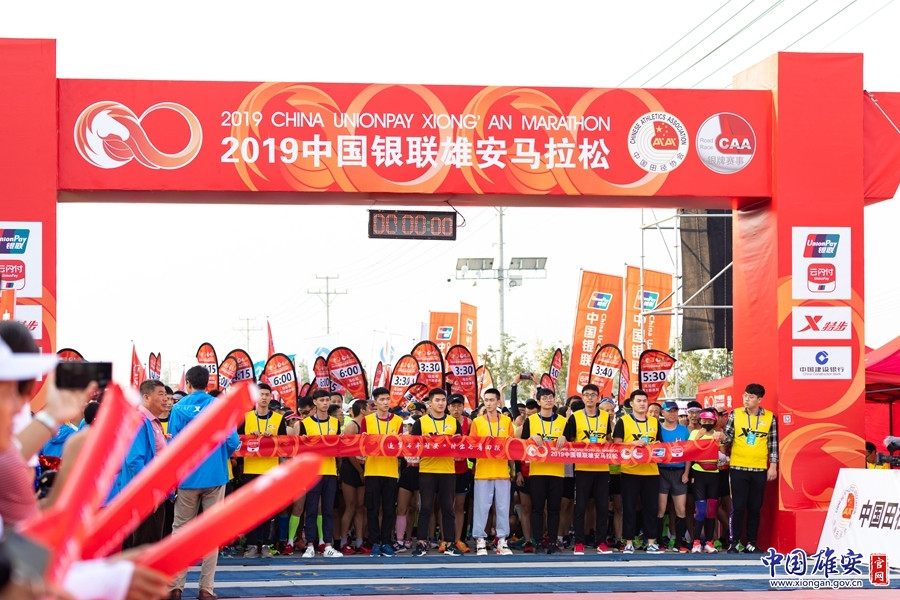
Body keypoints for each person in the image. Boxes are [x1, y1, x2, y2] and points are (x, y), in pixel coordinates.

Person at [0, 322, 169, 600]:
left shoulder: (9, 462)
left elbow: (20, 554)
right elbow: (18, 585)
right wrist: (104, 580)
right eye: (9, 392)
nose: (20, 407)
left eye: (22, 390)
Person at [167, 365, 241, 600]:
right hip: (215, 474)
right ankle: (206, 589)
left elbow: (172, 445)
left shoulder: (178, 408)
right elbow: (232, 441)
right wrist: (219, 456)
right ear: (208, 383)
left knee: (180, 531)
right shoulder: (220, 407)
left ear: (187, 384)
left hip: (187, 477)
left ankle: (175, 587)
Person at [718, 383, 778, 554]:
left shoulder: (770, 417)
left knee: (755, 507)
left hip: (759, 469)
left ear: (759, 399)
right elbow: (728, 438)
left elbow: (773, 444)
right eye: (745, 395)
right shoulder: (735, 414)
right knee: (738, 507)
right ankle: (734, 542)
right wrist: (721, 436)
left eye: (751, 397)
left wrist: (773, 466)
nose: (746, 399)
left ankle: (752, 542)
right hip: (738, 468)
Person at [111, 379, 169, 549]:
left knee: (150, 544)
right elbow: (134, 460)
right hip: (145, 494)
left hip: (155, 491)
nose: (166, 399)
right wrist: (150, 491)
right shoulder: (139, 421)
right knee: (143, 547)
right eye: (161, 394)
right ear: (146, 397)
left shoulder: (153, 422)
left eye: (166, 394)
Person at [558, 384, 613, 555]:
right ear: (582, 397)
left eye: (593, 395)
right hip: (582, 467)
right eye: (587, 395)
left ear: (598, 398)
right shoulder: (575, 417)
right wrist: (563, 438)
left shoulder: (605, 416)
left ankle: (601, 542)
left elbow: (609, 439)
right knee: (580, 506)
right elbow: (568, 440)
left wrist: (607, 443)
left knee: (602, 507)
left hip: (602, 467)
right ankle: (579, 542)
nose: (590, 398)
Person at [237, 382, 287, 558]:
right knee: (250, 508)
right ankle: (251, 544)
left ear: (270, 397)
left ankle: (266, 544)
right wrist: (249, 437)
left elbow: (285, 445)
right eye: (261, 395)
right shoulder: (246, 417)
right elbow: (237, 442)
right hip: (250, 469)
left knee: (269, 509)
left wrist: (273, 439)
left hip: (271, 470)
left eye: (267, 395)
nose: (264, 398)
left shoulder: (279, 419)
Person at [410, 388, 461, 556]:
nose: (440, 403)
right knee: (425, 507)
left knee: (448, 508)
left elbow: (461, 448)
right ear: (430, 403)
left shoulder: (454, 422)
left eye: (443, 400)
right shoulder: (421, 422)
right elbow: (412, 447)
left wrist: (457, 445)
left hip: (448, 470)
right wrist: (423, 443)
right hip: (427, 470)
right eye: (437, 400)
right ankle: (421, 543)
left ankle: (449, 543)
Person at [613, 389, 664, 554]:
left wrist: (657, 445)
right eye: (639, 401)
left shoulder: (655, 422)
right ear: (632, 403)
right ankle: (628, 542)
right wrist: (632, 444)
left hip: (651, 471)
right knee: (629, 507)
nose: (642, 404)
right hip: (630, 471)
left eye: (644, 401)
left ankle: (651, 542)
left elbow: (660, 444)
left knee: (651, 508)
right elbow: (616, 445)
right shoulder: (623, 421)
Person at [520, 386, 566, 554]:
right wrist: (531, 438)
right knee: (537, 508)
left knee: (554, 509)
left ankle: (553, 542)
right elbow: (522, 445)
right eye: (544, 398)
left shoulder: (563, 421)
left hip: (557, 471)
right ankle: (538, 542)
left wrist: (565, 437)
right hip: (537, 471)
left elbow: (572, 443)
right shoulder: (531, 420)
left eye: (550, 397)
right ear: (538, 402)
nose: (548, 400)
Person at [359, 387, 403, 556]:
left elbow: (401, 446)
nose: (385, 402)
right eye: (382, 399)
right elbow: (361, 445)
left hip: (391, 471)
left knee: (389, 509)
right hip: (372, 470)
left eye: (387, 399)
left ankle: (386, 541)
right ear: (375, 402)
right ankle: (374, 542)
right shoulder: (367, 420)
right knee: (372, 508)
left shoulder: (398, 421)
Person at [299, 389, 344, 558]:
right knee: (311, 509)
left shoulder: (335, 422)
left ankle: (328, 545)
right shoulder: (305, 423)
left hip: (330, 471)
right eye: (322, 400)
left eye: (327, 400)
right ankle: (310, 545)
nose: (325, 403)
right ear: (315, 403)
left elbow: (339, 446)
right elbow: (299, 448)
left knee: (328, 510)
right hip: (312, 472)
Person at [470, 387, 514, 556]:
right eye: (486, 400)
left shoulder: (507, 421)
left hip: (502, 471)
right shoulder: (477, 422)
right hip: (483, 471)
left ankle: (502, 540)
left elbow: (512, 447)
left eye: (492, 400)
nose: (488, 403)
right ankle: (480, 540)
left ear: (498, 402)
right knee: (481, 508)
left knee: (503, 507)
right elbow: (472, 446)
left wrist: (512, 469)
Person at [656, 400, 690, 552]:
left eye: (675, 411)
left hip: (679, 472)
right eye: (669, 411)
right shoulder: (658, 429)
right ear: (662, 413)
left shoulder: (684, 430)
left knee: (681, 509)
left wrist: (686, 473)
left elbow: (689, 453)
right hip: (661, 471)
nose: (672, 414)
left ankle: (679, 542)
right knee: (661, 509)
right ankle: (659, 541)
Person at [338, 399, 369, 555]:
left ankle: (359, 541)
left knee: (360, 507)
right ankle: (343, 541)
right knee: (350, 506)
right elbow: (349, 452)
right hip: (350, 469)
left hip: (362, 467)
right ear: (362, 410)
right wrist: (359, 471)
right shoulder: (352, 426)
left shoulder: (366, 425)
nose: (371, 410)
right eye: (368, 408)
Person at [689, 409, 721, 553]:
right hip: (699, 472)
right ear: (700, 421)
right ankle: (696, 541)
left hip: (714, 473)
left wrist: (720, 439)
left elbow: (723, 453)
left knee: (711, 510)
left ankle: (709, 542)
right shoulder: (695, 433)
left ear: (714, 421)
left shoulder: (717, 434)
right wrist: (698, 437)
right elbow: (689, 451)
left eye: (710, 420)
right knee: (701, 510)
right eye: (704, 420)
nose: (707, 422)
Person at [447, 393, 473, 554]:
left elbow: (475, 444)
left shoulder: (469, 423)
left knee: (459, 506)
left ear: (463, 407)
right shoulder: (443, 422)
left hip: (463, 469)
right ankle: (445, 539)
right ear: (448, 407)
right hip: (445, 470)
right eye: (453, 406)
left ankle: (458, 539)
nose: (456, 409)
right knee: (445, 506)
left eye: (459, 406)